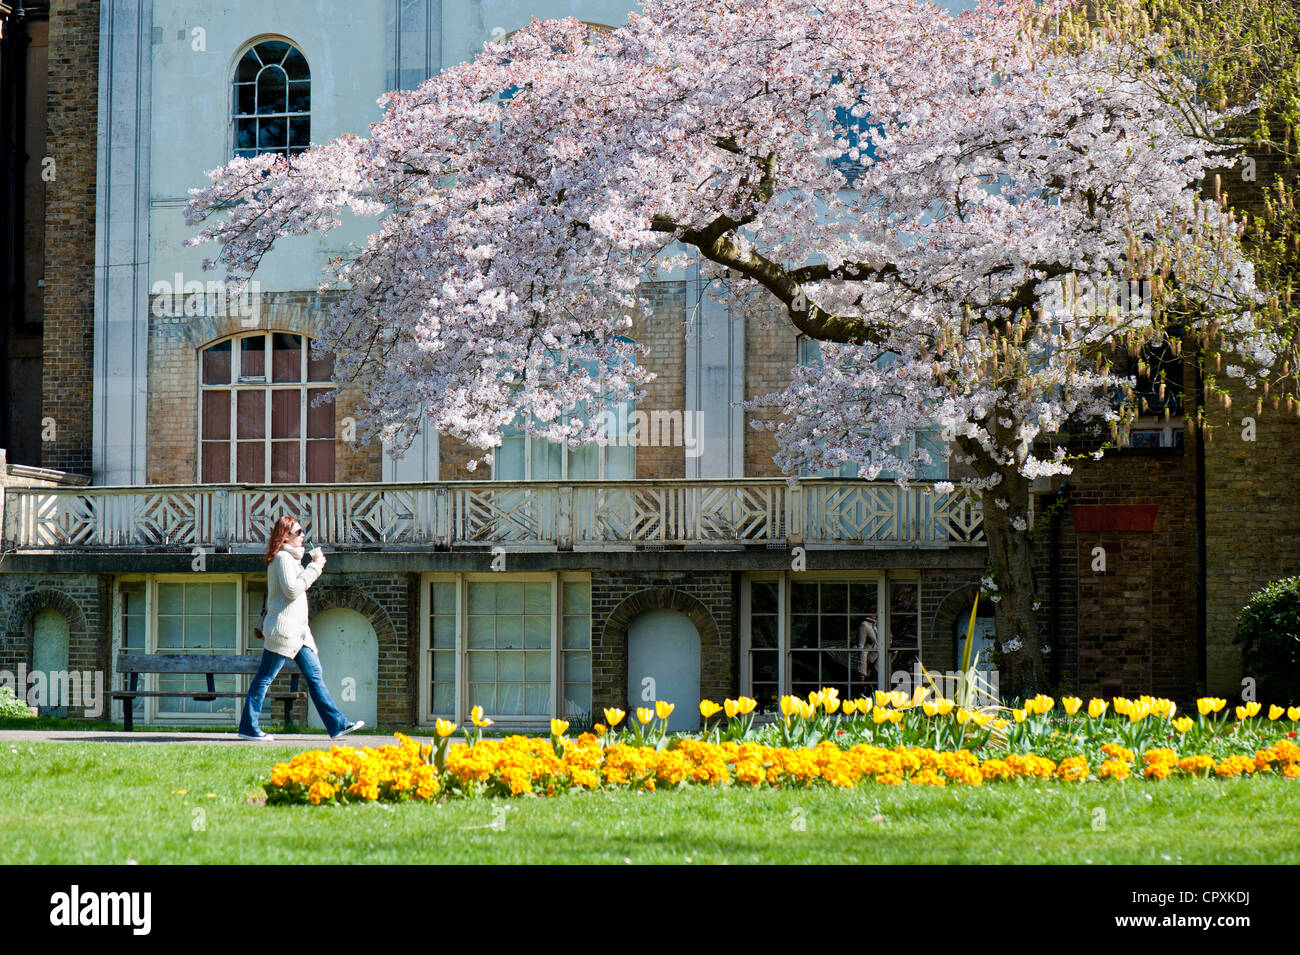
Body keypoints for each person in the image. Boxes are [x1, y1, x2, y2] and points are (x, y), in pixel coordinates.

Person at [237, 515, 364, 741]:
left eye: (303, 531)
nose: (303, 535)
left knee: (315, 676)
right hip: (283, 632)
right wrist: (315, 568)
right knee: (265, 678)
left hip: (299, 633)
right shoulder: (283, 558)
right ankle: (249, 727)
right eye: (298, 532)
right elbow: (292, 590)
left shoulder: (292, 559)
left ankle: (337, 724)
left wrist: (311, 566)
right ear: (285, 537)